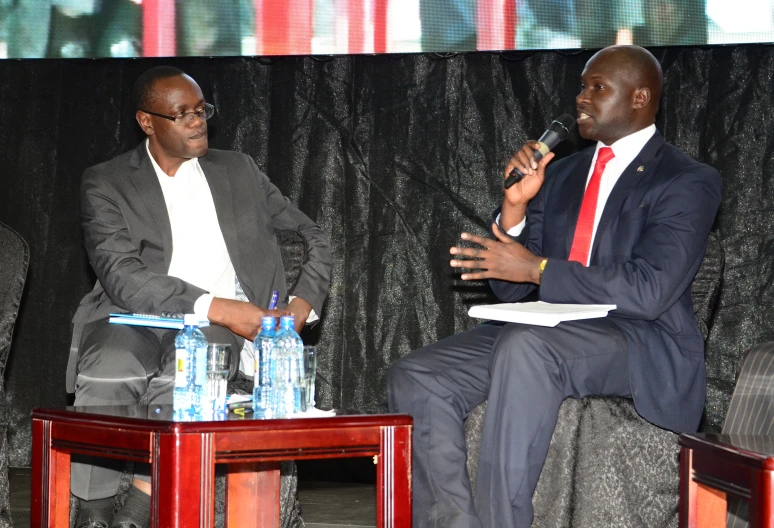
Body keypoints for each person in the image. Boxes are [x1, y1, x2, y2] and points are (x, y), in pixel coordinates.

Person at [388, 44, 722, 528]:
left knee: (528, 348)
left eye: (596, 87)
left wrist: (539, 270)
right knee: (417, 374)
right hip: (551, 330)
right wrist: (517, 209)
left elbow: (649, 290)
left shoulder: (686, 179)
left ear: (639, 97)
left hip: (637, 340)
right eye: (581, 86)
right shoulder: (561, 174)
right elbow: (512, 291)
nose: (581, 98)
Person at [67, 66, 332, 527]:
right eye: (181, 114)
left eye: (201, 110)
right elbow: (121, 274)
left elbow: (312, 236)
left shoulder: (238, 170)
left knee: (187, 380)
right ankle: (91, 514)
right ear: (147, 122)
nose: (197, 121)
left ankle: (139, 510)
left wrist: (300, 307)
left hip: (215, 330)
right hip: (132, 315)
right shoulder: (106, 181)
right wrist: (223, 307)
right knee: (109, 371)